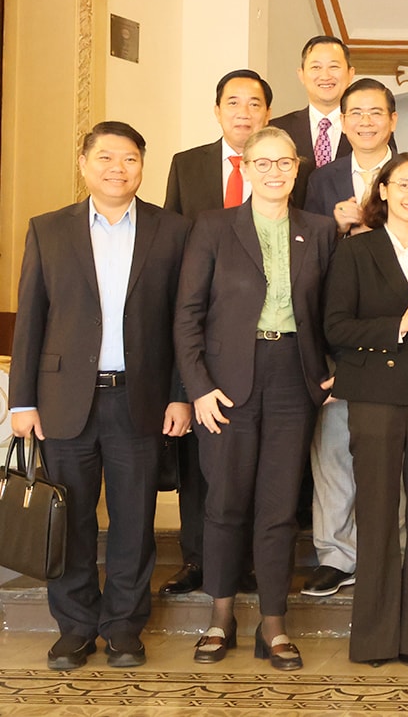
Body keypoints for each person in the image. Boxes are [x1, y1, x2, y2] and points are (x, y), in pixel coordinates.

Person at [10, 122, 192, 671]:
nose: (118, 168)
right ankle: (75, 627)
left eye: (130, 158)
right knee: (70, 520)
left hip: (141, 398)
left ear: (142, 166)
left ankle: (123, 628)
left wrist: (180, 395)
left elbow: (184, 321)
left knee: (134, 521)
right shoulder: (48, 229)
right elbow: (31, 319)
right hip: (63, 400)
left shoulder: (172, 230)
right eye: (106, 157)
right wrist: (21, 401)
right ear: (84, 163)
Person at [174, 126, 337, 671]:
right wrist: (198, 387)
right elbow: (187, 315)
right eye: (262, 163)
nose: (274, 172)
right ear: (245, 168)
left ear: (297, 168)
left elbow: (333, 310)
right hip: (225, 384)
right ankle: (220, 617)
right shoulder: (214, 227)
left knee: (278, 507)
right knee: (224, 503)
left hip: (294, 379)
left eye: (283, 162)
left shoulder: (318, 230)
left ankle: (273, 623)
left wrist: (332, 370)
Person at [322, 153, 408, 666]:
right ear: (382, 190)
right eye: (403, 185)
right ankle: (376, 638)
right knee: (377, 513)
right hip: (375, 396)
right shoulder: (355, 250)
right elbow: (335, 326)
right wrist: (397, 325)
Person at [160, 69, 273, 597]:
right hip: (201, 327)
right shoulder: (188, 165)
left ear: (267, 113)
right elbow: (171, 243)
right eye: (233, 102)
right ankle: (196, 557)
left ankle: (245, 560)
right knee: (197, 453)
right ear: (217, 110)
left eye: (254, 103)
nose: (243, 112)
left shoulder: (283, 166)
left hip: (264, 335)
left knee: (252, 459)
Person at [298, 77, 401, 599]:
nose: (365, 121)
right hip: (337, 328)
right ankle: (336, 555)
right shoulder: (321, 179)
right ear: (342, 122)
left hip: (398, 331)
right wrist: (333, 227)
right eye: (355, 113)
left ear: (393, 120)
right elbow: (304, 253)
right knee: (334, 447)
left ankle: (387, 551)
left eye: (375, 112)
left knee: (390, 450)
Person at [273, 36, 356, 208]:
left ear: (350, 74)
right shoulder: (278, 130)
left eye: (334, 67)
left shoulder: (368, 130)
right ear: (301, 75)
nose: (325, 76)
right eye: (316, 67)